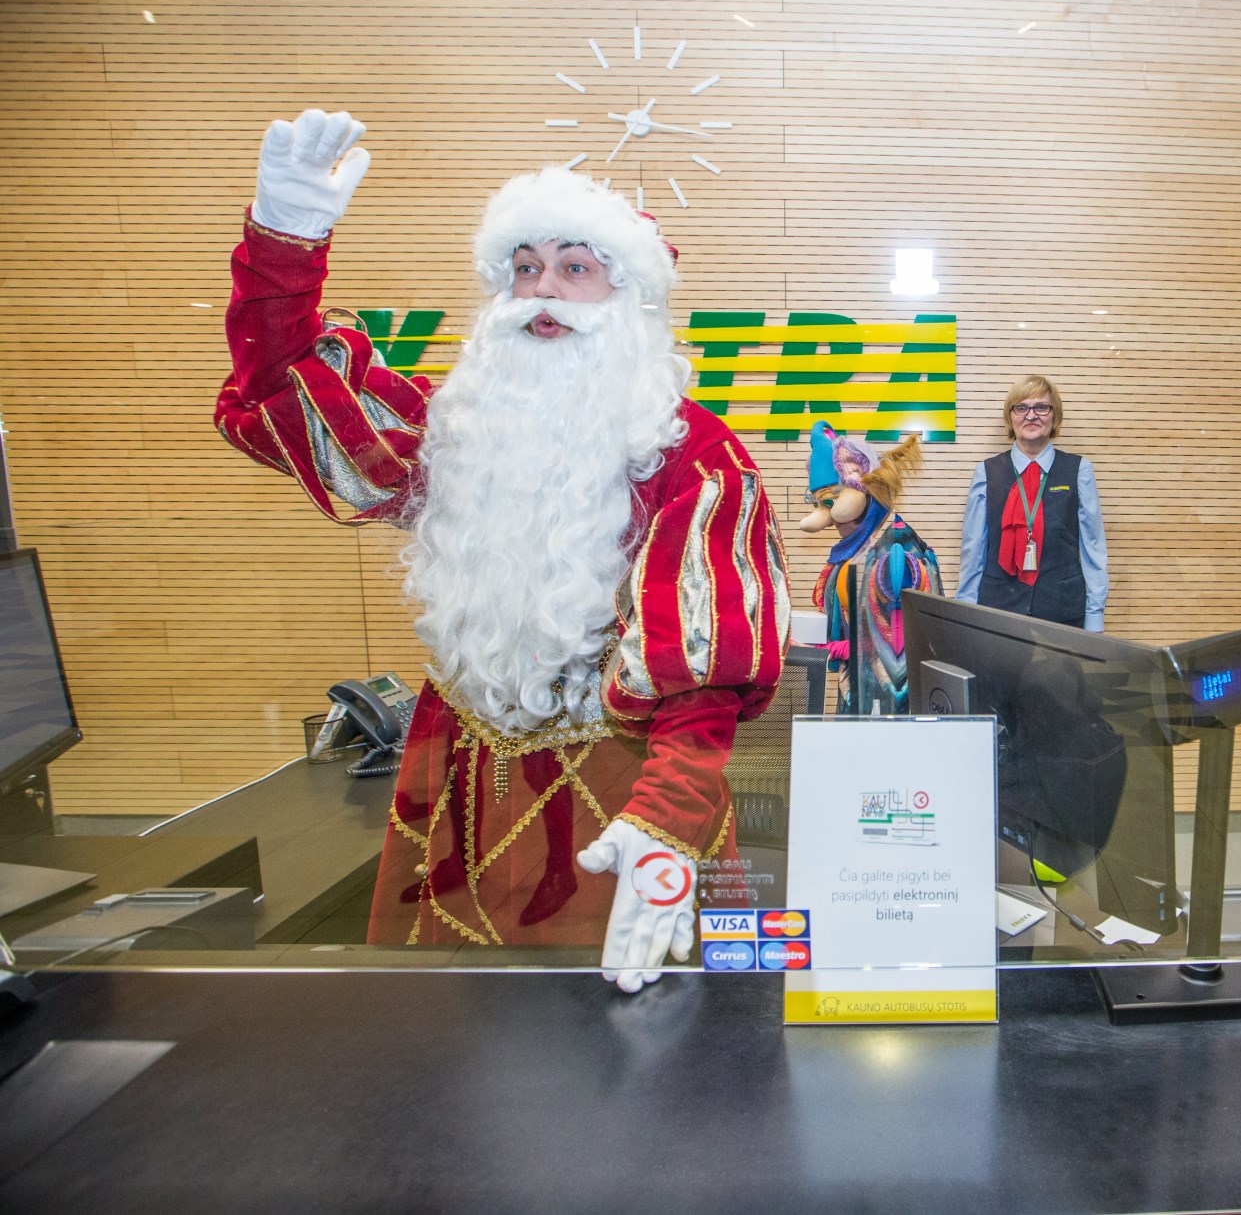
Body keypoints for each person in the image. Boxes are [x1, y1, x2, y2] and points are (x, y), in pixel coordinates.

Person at [214, 110, 790, 990]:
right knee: (448, 1046)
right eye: (523, 270)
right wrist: (285, 242)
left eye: (574, 269)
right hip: (455, 780)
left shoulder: (694, 456)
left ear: (626, 298)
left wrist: (667, 818)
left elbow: (704, 669)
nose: (543, 291)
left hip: (622, 787)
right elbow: (288, 390)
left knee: (639, 1047)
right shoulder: (458, 433)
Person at [797, 420, 941, 713]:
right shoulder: (853, 556)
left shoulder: (891, 560)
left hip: (884, 704)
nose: (830, 517)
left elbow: (896, 651)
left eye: (833, 501)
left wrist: (823, 650)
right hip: (858, 693)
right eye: (821, 504)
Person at [954, 376, 1109, 630]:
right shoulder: (986, 473)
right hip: (998, 611)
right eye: (1022, 407)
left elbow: (1093, 549)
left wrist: (1095, 617)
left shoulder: (1079, 470)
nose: (1031, 415)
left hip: (1063, 614)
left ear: (1054, 415)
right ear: (1011, 416)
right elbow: (973, 551)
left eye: (1042, 407)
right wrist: (966, 614)